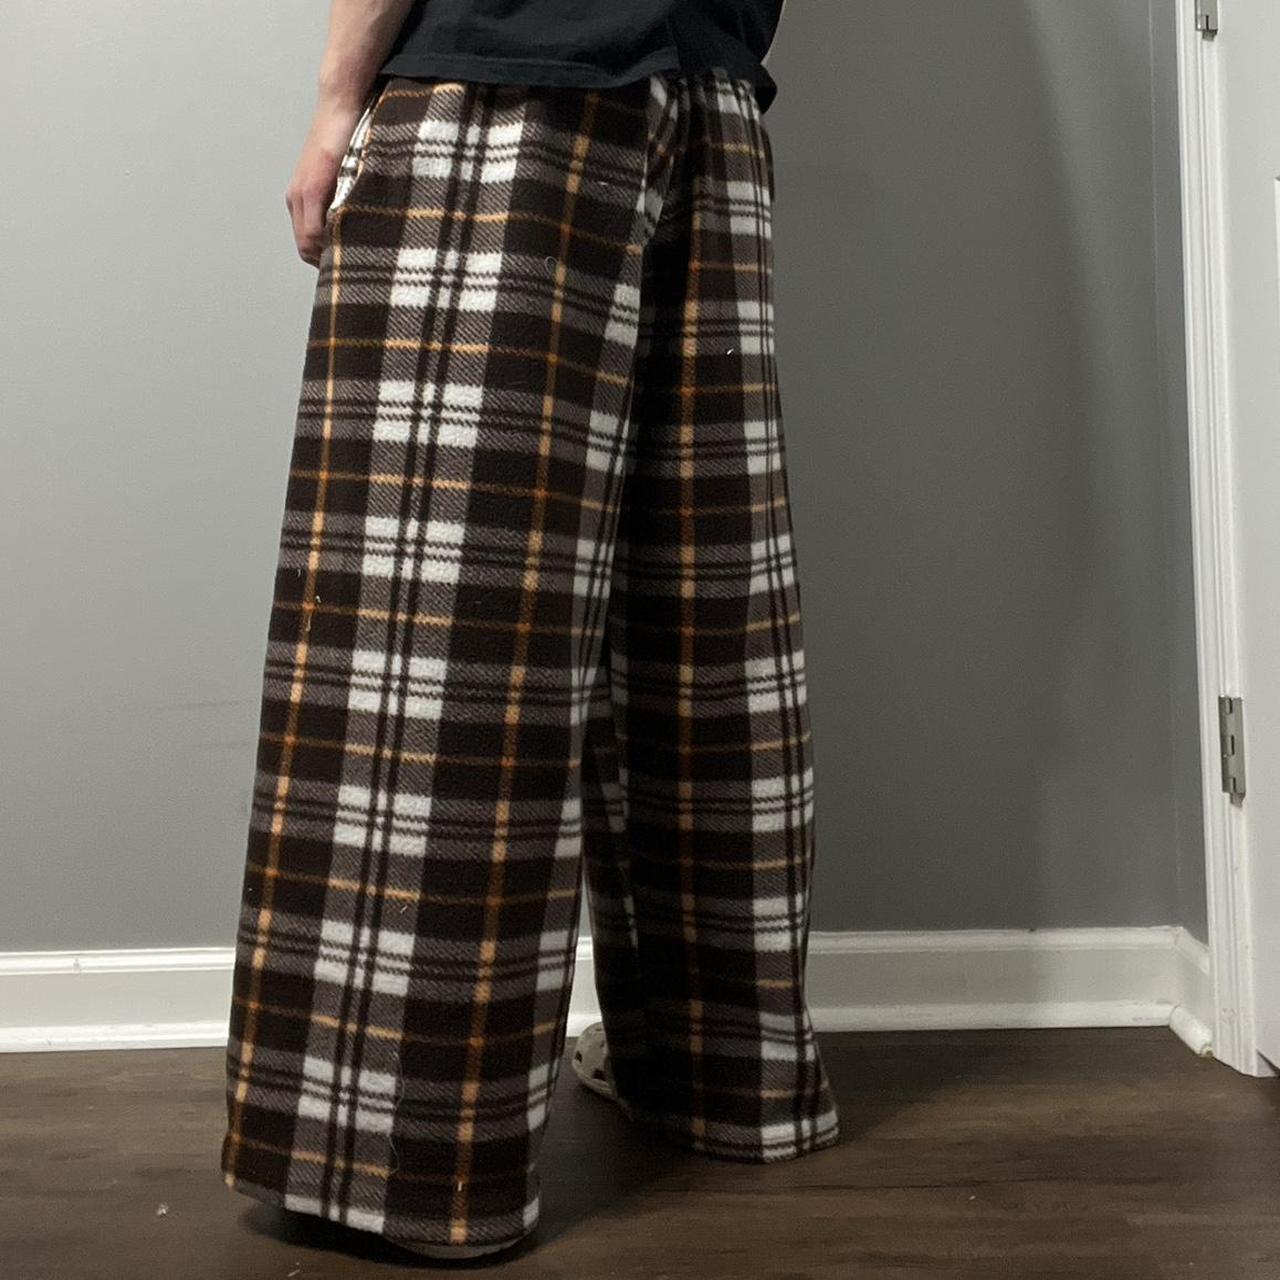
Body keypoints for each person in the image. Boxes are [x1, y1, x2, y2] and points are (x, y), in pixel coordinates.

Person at [219, 0, 839, 1261]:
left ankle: (402, 1161)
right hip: (708, 106)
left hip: (507, 86)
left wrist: (337, 101)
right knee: (699, 622)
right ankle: (727, 1077)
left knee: (435, 640)